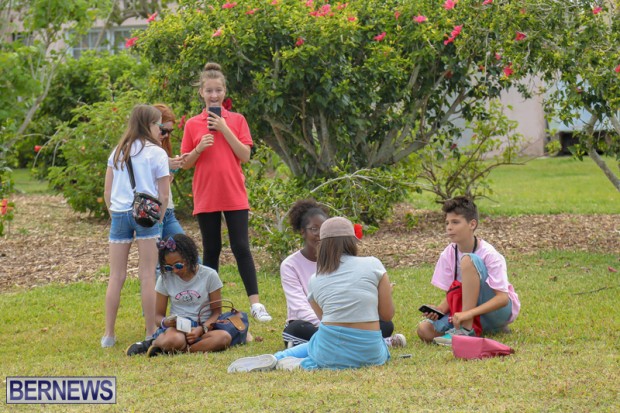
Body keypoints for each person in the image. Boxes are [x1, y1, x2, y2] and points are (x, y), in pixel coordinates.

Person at [228, 217, 395, 372]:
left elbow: (325, 320)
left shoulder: (315, 279)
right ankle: (294, 362)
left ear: (322, 245)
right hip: (372, 355)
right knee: (365, 336)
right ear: (353, 241)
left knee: (320, 339)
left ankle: (279, 357)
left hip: (329, 354)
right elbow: (387, 316)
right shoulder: (374, 264)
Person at [181, 62, 271, 322]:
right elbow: (185, 164)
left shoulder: (237, 120)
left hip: (233, 192)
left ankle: (256, 304)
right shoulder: (192, 124)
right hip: (206, 193)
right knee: (211, 249)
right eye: (209, 90)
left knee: (241, 246)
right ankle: (212, 308)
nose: (214, 95)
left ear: (224, 91)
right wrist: (199, 148)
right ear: (201, 92)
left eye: (218, 90)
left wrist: (224, 128)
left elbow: (245, 155)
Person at [281, 199, 406, 348]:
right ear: (302, 231)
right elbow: (300, 307)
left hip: (345, 322)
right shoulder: (290, 265)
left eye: (324, 230)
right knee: (295, 330)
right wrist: (333, 326)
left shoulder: (344, 261)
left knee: (386, 324)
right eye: (314, 229)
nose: (321, 235)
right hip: (317, 324)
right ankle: (373, 342)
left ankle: (333, 343)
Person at [102, 104, 170, 348]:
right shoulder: (157, 153)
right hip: (146, 214)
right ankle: (151, 330)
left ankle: (109, 334)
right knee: (147, 275)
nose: (161, 129)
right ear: (148, 125)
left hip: (120, 214)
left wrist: (114, 213)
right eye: (158, 124)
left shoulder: (118, 151)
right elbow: (164, 194)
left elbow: (107, 191)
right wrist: (159, 218)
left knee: (116, 276)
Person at [416, 196, 521, 346]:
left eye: (455, 222)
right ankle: (476, 330)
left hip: (497, 313)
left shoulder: (489, 254)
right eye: (447, 223)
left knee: (468, 260)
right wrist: (439, 310)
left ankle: (466, 330)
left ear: (472, 224)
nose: (449, 227)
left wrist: (468, 313)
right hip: (467, 313)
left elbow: (502, 299)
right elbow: (454, 293)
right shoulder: (448, 254)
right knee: (425, 330)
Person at [126, 234, 249, 356]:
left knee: (223, 337)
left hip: (204, 328)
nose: (175, 271)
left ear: (189, 258)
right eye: (168, 267)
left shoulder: (209, 275)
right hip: (177, 330)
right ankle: (163, 344)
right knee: (174, 340)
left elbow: (216, 313)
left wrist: (201, 329)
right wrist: (166, 322)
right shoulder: (165, 278)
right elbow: (158, 317)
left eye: (178, 265)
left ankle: (175, 349)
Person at [153, 104, 188, 240]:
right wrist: (165, 163)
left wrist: (173, 167)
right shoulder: (142, 148)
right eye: (163, 130)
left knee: (185, 249)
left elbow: (166, 182)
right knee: (154, 252)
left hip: (167, 210)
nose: (166, 135)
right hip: (151, 210)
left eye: (170, 131)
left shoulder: (162, 147)